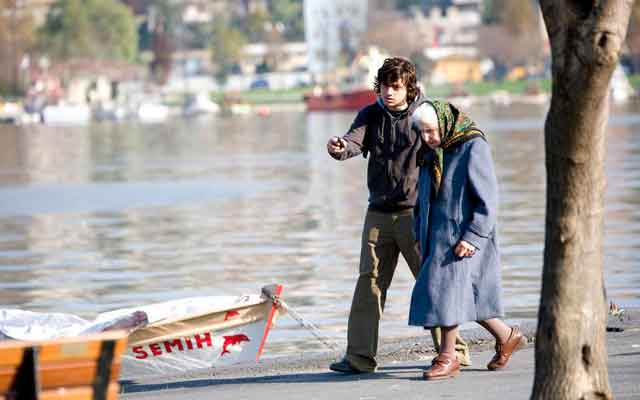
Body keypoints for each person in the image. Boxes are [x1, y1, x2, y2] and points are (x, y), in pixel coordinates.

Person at [326, 57, 471, 374]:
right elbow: (352, 142)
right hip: (377, 214)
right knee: (370, 284)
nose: (388, 93)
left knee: (432, 283)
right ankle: (359, 358)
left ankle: (454, 352)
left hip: (418, 214)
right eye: (384, 87)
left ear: (409, 87)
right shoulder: (371, 114)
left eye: (396, 87)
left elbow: (454, 150)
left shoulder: (425, 114)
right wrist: (339, 147)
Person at [409, 100, 526, 380]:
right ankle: (507, 335)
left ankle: (448, 357)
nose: (426, 138)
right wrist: (418, 229)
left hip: (463, 236)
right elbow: (424, 195)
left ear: (445, 124)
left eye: (430, 131)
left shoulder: (473, 146)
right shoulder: (434, 150)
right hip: (436, 235)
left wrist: (473, 237)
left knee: (445, 294)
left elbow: (488, 199)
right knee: (460, 295)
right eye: (421, 132)